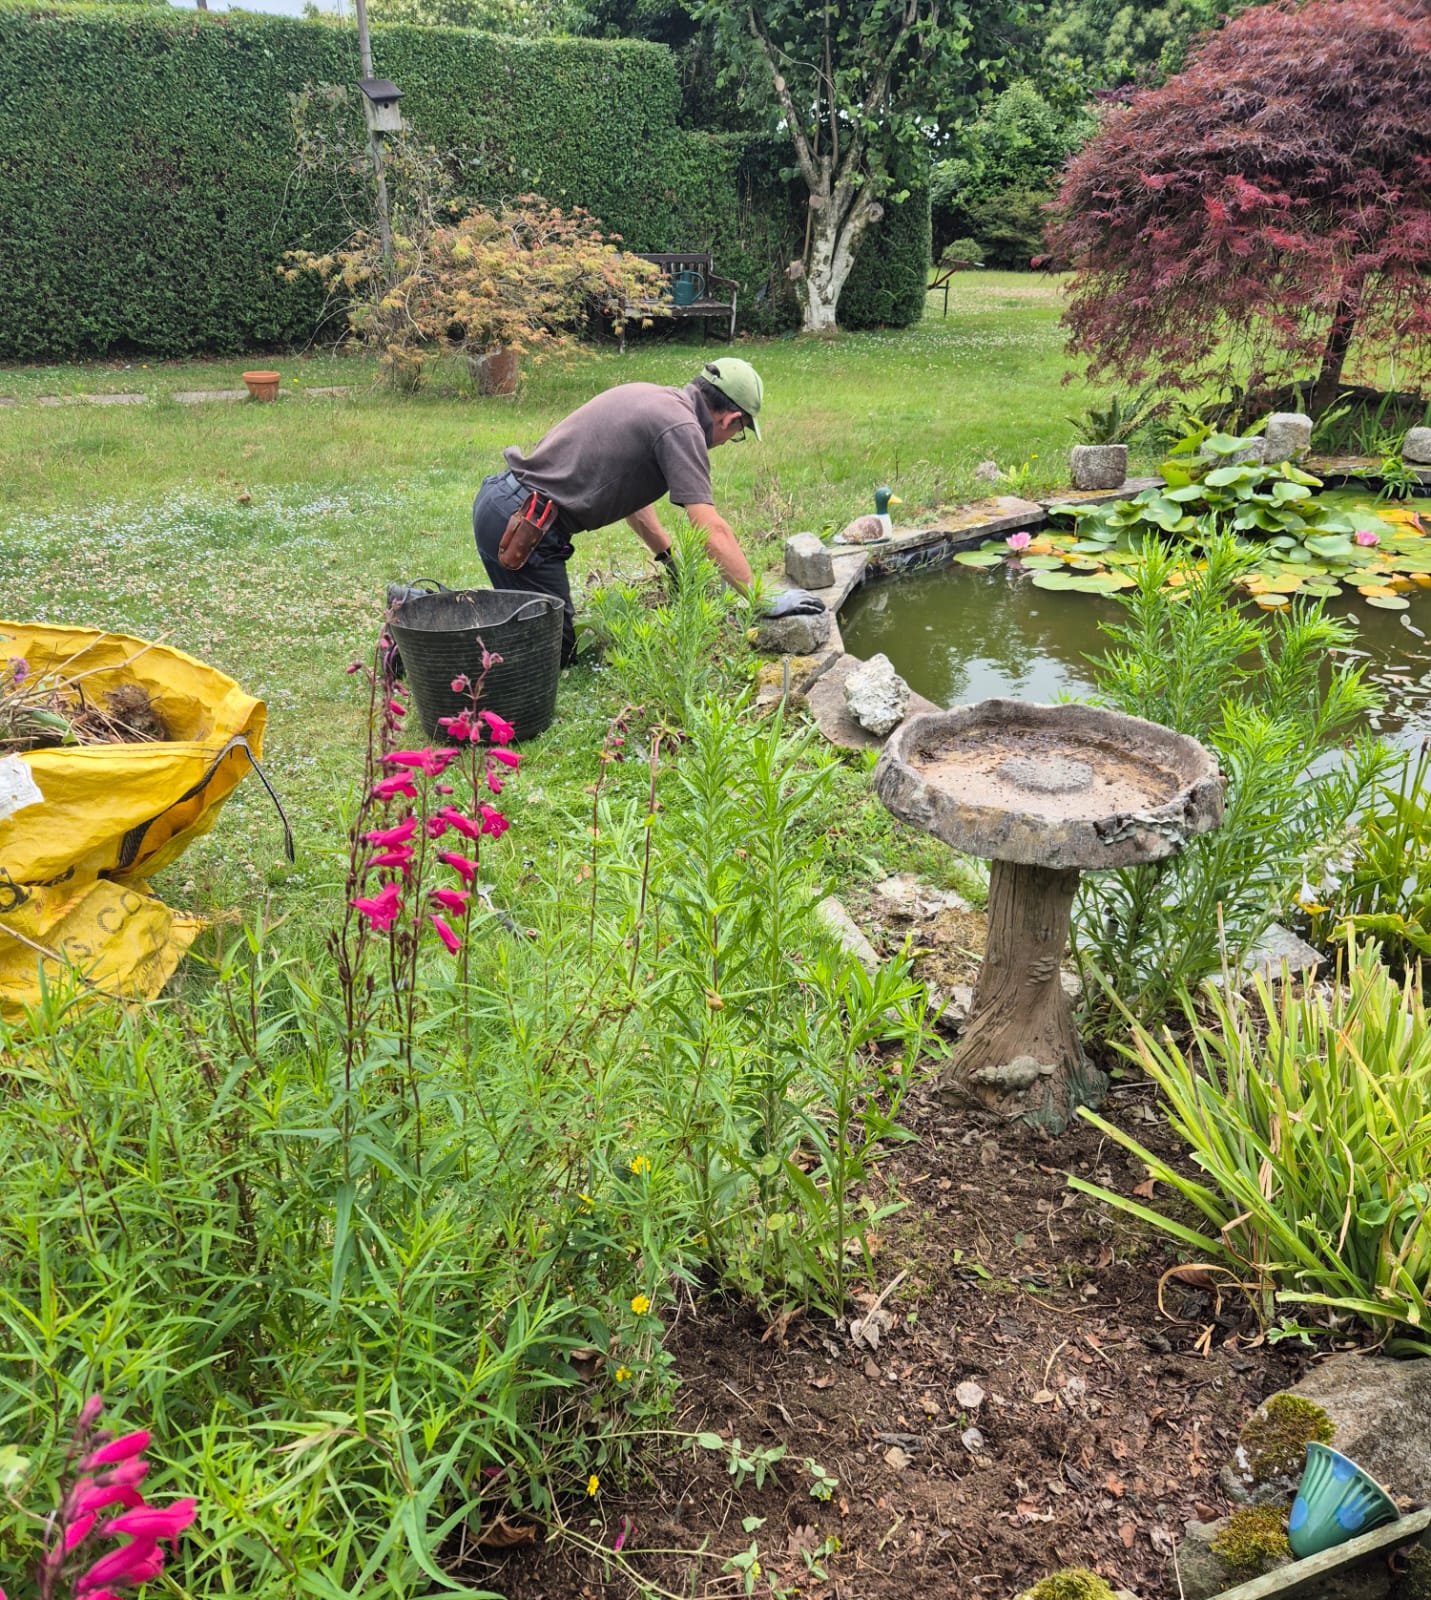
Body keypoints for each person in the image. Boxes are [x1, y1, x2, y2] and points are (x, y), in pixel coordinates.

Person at [472, 358, 764, 666]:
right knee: (550, 655)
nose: (731, 439)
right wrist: (763, 599)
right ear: (730, 419)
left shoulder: (655, 397)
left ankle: (440, 617)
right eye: (739, 433)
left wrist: (668, 559)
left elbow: (635, 504)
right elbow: (710, 530)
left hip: (505, 506)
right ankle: (427, 626)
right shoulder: (683, 427)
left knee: (534, 631)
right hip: (524, 528)